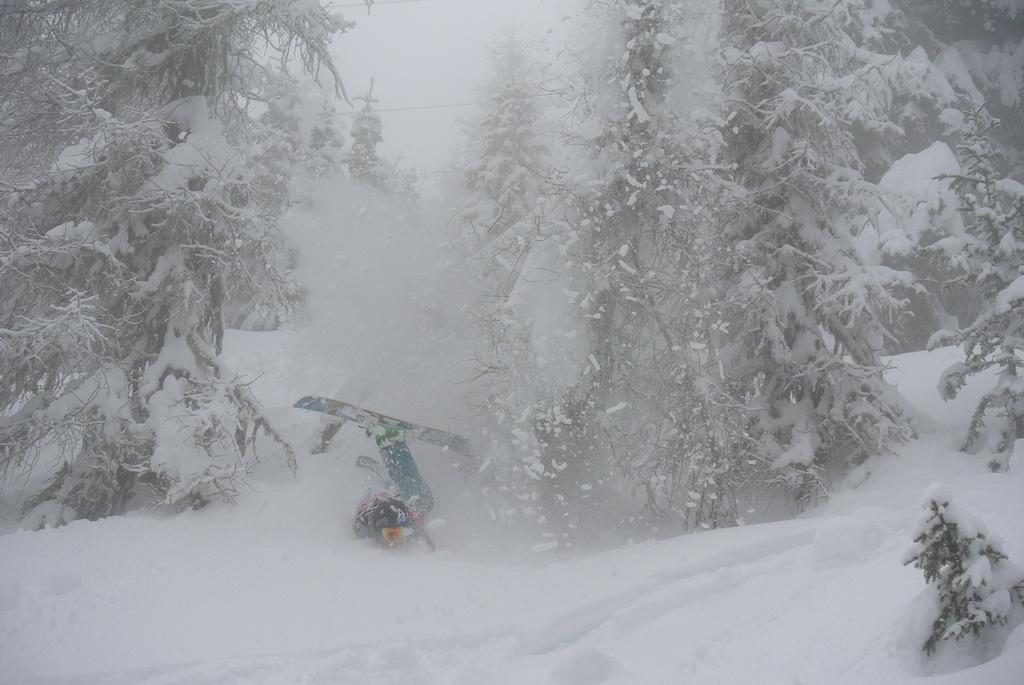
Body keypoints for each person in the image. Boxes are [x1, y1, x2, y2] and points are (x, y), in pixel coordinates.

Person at [352, 424, 434, 548]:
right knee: (415, 490)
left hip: (385, 499)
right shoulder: (370, 527)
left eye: (396, 533)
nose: (395, 539)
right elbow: (425, 537)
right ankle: (393, 444)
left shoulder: (367, 526)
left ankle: (390, 443)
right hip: (410, 502)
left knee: (405, 483)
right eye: (392, 534)